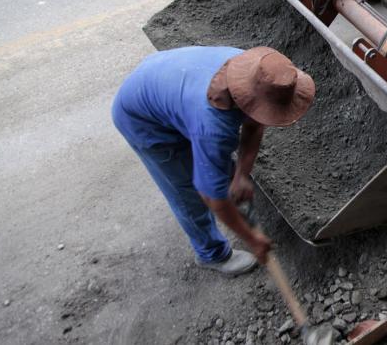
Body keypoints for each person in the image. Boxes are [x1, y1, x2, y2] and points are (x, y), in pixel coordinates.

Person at [112, 46, 315, 276]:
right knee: (188, 192)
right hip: (140, 118)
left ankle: (230, 198)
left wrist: (241, 175)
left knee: (215, 168)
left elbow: (254, 125)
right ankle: (212, 254)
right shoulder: (214, 128)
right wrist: (252, 240)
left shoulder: (252, 70)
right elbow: (211, 196)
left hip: (166, 81)